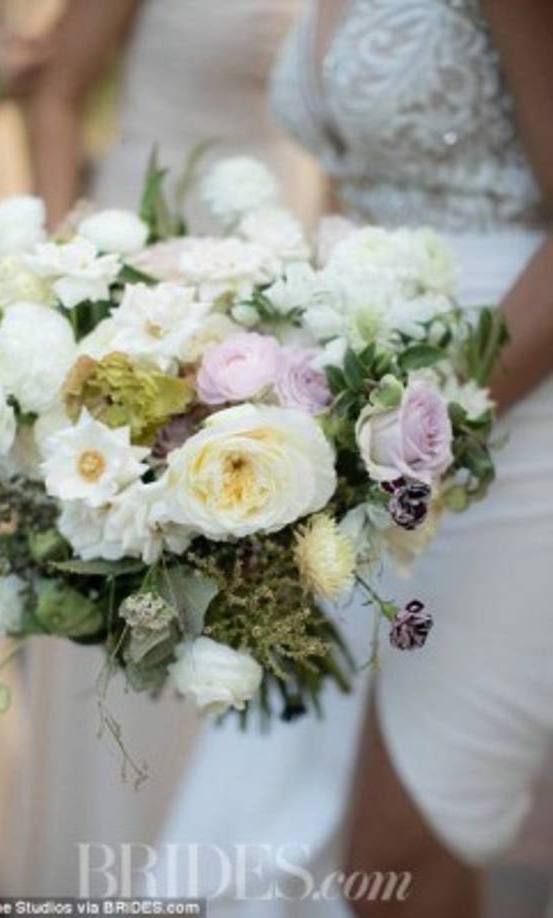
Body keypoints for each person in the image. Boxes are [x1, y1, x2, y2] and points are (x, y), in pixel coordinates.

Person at [8, 0, 328, 895]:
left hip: (276, 296)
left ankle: (228, 883)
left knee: (254, 624)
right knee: (135, 602)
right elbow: (57, 93)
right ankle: (105, 875)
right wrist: (62, 285)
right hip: (141, 290)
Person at [269, 0, 553, 916]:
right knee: (393, 837)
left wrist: (429, 427)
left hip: (511, 414)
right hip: (372, 406)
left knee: (394, 849)